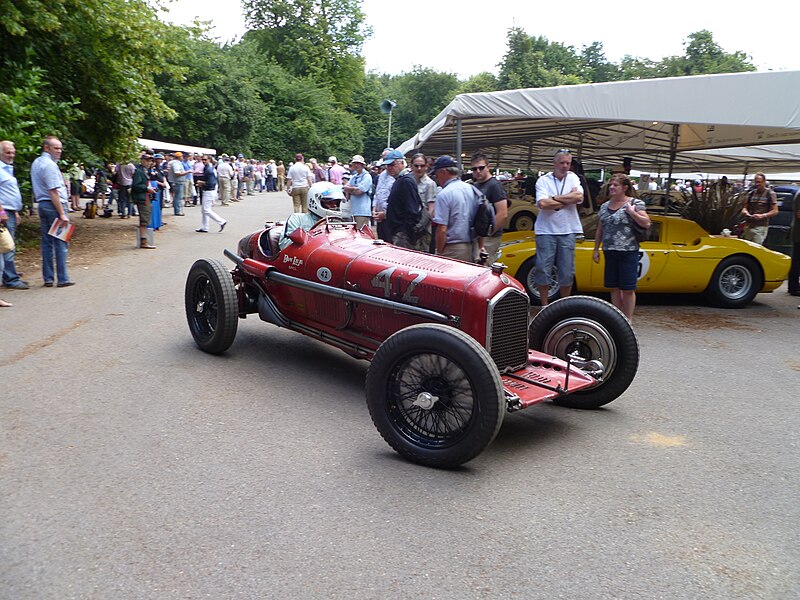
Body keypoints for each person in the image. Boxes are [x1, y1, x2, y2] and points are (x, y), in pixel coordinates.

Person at [592, 174, 650, 320]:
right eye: (611, 185)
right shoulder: (605, 206)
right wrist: (596, 249)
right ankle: (617, 317)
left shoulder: (635, 203)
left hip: (628, 251)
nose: (612, 187)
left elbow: (646, 223)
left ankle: (628, 319)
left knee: (628, 288)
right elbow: (600, 228)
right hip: (610, 250)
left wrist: (632, 212)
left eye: (615, 185)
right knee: (614, 287)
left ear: (624, 188)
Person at [533, 149, 584, 305]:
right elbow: (542, 203)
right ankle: (544, 305)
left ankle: (564, 304)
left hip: (568, 230)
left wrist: (554, 198)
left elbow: (579, 197)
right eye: (561, 162)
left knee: (567, 271)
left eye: (568, 163)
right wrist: (568, 199)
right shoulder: (543, 180)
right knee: (543, 268)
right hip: (545, 230)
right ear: (554, 163)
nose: (564, 166)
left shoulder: (573, 177)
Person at [31, 135, 74, 287]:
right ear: (46, 148)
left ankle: (48, 278)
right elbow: (53, 191)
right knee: (61, 241)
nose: (59, 151)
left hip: (43, 205)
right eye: (56, 148)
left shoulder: (37, 162)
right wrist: (62, 213)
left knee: (47, 243)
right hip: (54, 206)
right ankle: (62, 278)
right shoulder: (49, 165)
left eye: (60, 148)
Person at [431, 155, 480, 262]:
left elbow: (442, 229)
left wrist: (439, 252)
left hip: (452, 249)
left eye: (436, 174)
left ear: (443, 172)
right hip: (472, 246)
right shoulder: (471, 189)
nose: (436, 178)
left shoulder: (444, 194)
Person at [280, 182, 345, 251]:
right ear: (314, 202)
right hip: (306, 258)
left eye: (336, 203)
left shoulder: (338, 223)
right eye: (329, 202)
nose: (334, 206)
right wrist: (315, 231)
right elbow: (284, 245)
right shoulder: (297, 218)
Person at [470, 152, 508, 263]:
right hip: (477, 236)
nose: (478, 171)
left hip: (490, 238)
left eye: (481, 168)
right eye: (474, 169)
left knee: (485, 267)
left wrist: (488, 232)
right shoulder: (475, 185)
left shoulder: (495, 185)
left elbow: (502, 213)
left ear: (488, 167)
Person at [0, 140, 29, 290]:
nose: (11, 155)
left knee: (8, 245)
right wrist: (2, 212)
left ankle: (9, 275)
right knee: (7, 246)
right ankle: (11, 279)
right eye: (7, 152)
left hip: (10, 212)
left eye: (13, 152)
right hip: (3, 214)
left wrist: (16, 212)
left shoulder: (7, 169)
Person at [383, 150, 421, 249]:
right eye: (387, 166)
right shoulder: (400, 180)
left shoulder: (406, 181)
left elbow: (412, 211)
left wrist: (404, 233)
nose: (389, 168)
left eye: (392, 164)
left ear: (402, 163)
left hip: (402, 234)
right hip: (398, 232)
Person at [741, 172, 778, 246]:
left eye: (759, 182)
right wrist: (745, 212)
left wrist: (763, 215)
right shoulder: (751, 193)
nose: (757, 184)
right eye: (756, 182)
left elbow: (775, 211)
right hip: (749, 226)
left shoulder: (770, 194)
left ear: (764, 182)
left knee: (756, 248)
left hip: (760, 227)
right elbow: (744, 208)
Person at [409, 153, 436, 253]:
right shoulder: (408, 181)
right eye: (416, 166)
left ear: (426, 166)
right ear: (411, 166)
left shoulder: (430, 184)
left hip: (423, 230)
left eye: (422, 166)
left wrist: (420, 226)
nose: (419, 168)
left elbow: (431, 209)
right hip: (408, 227)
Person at [131, 153, 157, 249]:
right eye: (148, 160)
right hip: (142, 198)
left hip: (145, 196)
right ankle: (143, 241)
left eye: (150, 161)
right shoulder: (139, 171)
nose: (150, 162)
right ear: (142, 161)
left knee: (146, 218)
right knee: (144, 220)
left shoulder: (144, 170)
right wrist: (146, 188)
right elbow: (135, 185)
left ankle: (144, 240)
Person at [195, 154, 227, 233]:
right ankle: (205, 227)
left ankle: (221, 221)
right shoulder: (209, 168)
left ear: (209, 160)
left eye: (205, 160)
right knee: (204, 210)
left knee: (206, 210)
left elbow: (210, 183)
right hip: (209, 190)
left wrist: (201, 182)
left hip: (209, 191)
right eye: (203, 159)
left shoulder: (209, 169)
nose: (203, 161)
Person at [372, 148, 398, 241]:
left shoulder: (397, 177)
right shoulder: (382, 175)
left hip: (391, 219)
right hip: (380, 218)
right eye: (383, 159)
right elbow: (377, 193)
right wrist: (374, 209)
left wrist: (386, 214)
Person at [343, 155, 372, 230]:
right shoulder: (354, 176)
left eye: (358, 163)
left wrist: (350, 190)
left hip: (362, 211)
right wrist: (353, 189)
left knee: (361, 232)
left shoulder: (367, 176)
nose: (356, 165)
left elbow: (359, 191)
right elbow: (345, 188)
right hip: (353, 210)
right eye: (354, 163)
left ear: (362, 165)